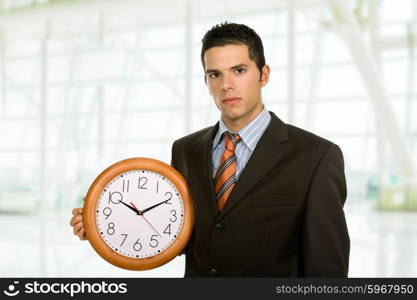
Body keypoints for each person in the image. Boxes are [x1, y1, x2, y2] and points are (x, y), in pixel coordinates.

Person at [71, 22, 350, 277]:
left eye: (239, 71)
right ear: (206, 82)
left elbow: (327, 270)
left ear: (263, 75)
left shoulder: (315, 157)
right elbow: (178, 237)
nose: (226, 85)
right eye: (215, 74)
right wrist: (103, 229)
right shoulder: (185, 150)